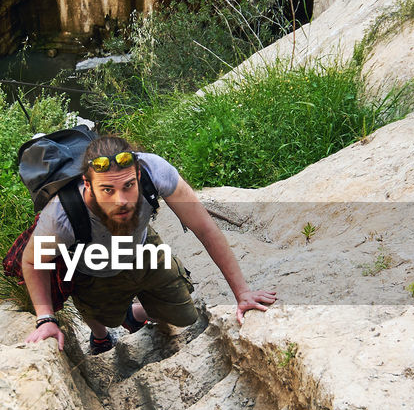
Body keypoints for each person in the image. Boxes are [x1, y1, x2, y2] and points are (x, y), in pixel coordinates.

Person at [21, 135, 276, 352]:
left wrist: (242, 293)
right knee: (105, 320)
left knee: (185, 317)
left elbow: (205, 228)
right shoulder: (61, 214)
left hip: (142, 249)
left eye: (129, 185)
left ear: (139, 174)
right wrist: (46, 319)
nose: (121, 200)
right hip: (92, 268)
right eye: (107, 190)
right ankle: (100, 335)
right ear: (87, 184)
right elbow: (32, 261)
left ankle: (135, 314)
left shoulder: (155, 171)